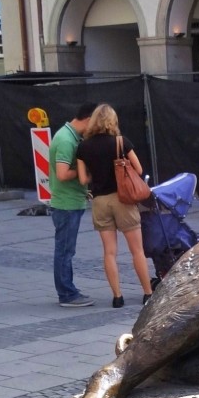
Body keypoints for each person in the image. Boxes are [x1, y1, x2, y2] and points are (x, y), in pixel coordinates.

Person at [75, 103, 154, 308]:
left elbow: (83, 179)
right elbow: (138, 169)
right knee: (136, 250)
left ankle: (117, 297)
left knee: (109, 252)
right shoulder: (121, 142)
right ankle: (147, 293)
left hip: (100, 202)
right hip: (123, 200)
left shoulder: (83, 147)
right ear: (113, 120)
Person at [48, 103, 96, 307]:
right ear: (87, 120)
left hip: (68, 201)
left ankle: (67, 290)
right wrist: (85, 172)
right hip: (66, 204)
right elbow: (62, 173)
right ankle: (67, 294)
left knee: (65, 250)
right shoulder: (67, 140)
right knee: (65, 251)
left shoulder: (68, 136)